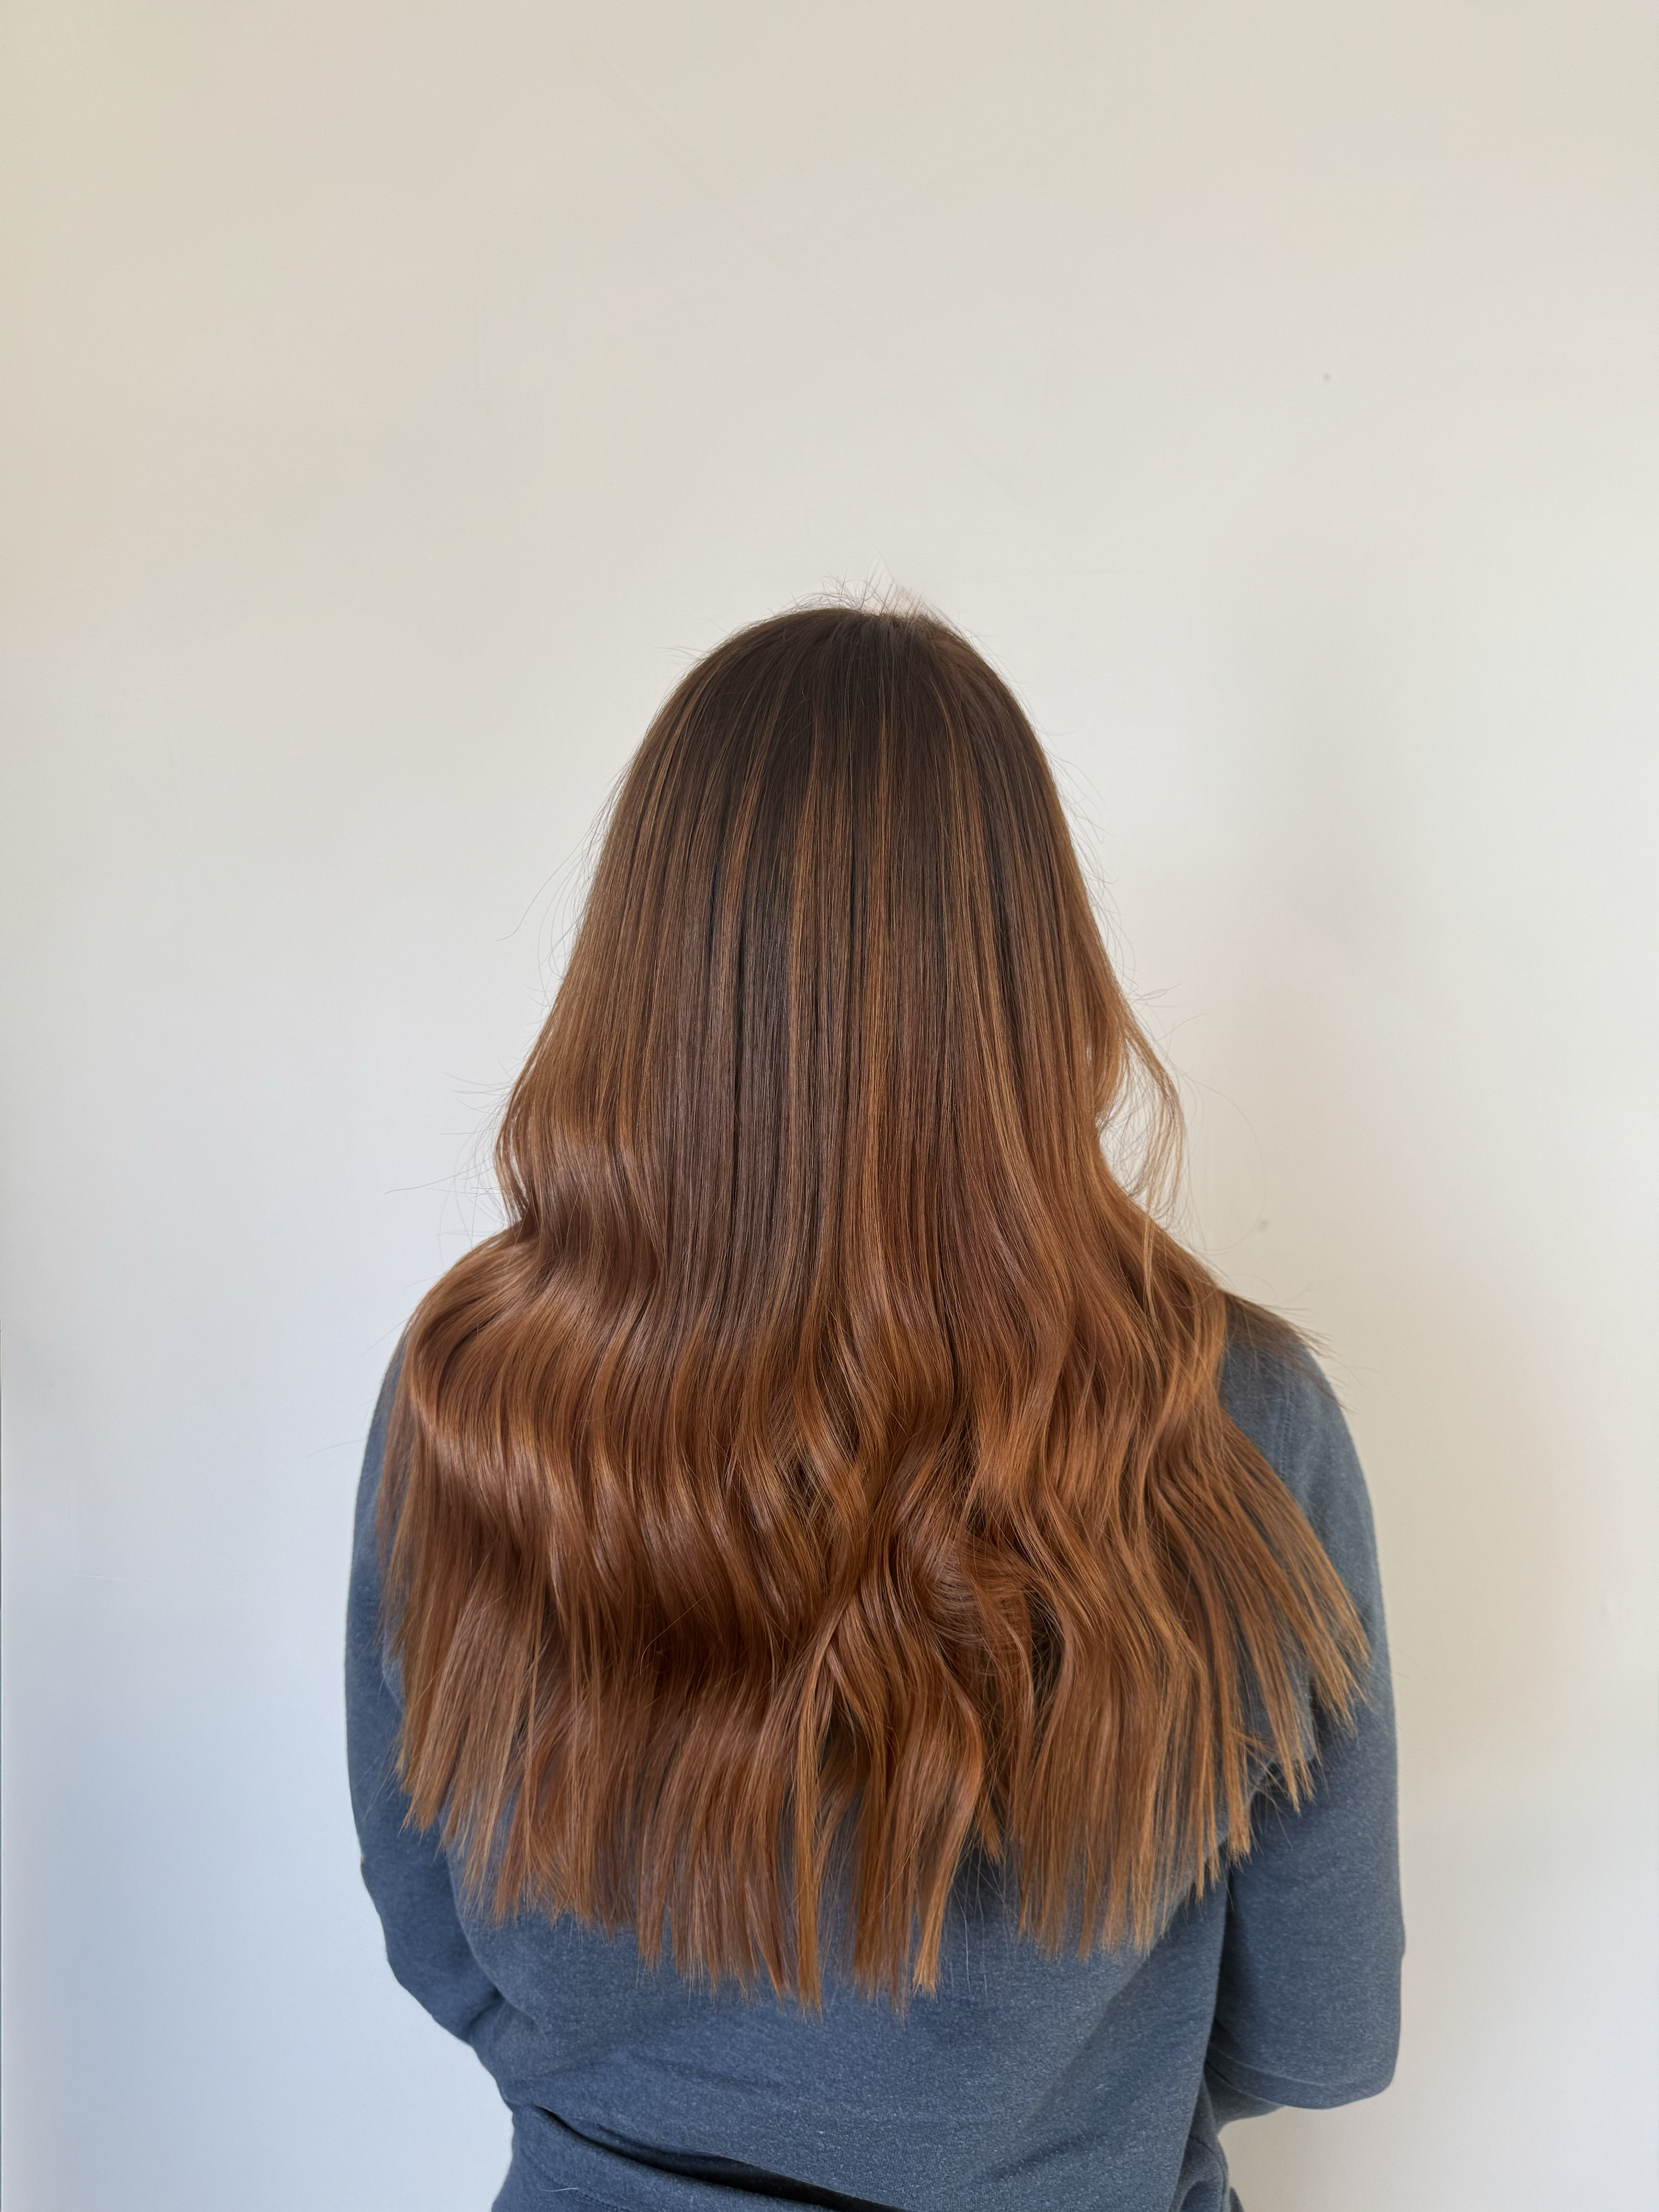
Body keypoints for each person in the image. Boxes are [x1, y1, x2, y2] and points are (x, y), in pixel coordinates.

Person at [345, 601, 1403, 2212]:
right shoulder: (1239, 1418)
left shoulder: (479, 1390)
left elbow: (440, 1937)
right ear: (1032, 968)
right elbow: (1317, 2036)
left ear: (649, 960)